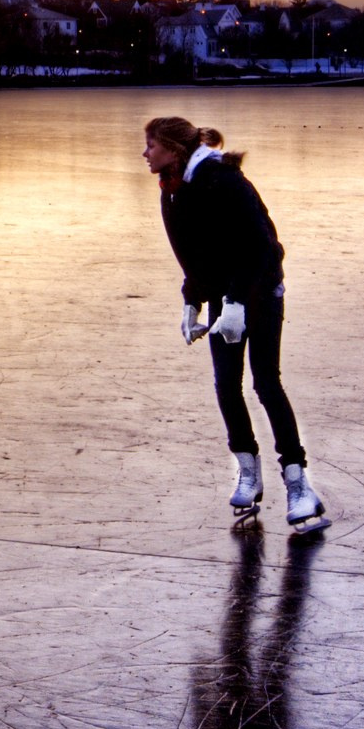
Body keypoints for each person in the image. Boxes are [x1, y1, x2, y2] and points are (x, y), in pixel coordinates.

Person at [143, 117, 328, 532]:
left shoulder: (224, 181)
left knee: (265, 383)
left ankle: (299, 485)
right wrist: (192, 302)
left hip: (260, 292)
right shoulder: (172, 190)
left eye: (151, 145)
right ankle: (248, 469)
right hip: (223, 296)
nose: (145, 153)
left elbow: (265, 249)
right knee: (226, 384)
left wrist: (239, 303)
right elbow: (195, 255)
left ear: (173, 148)